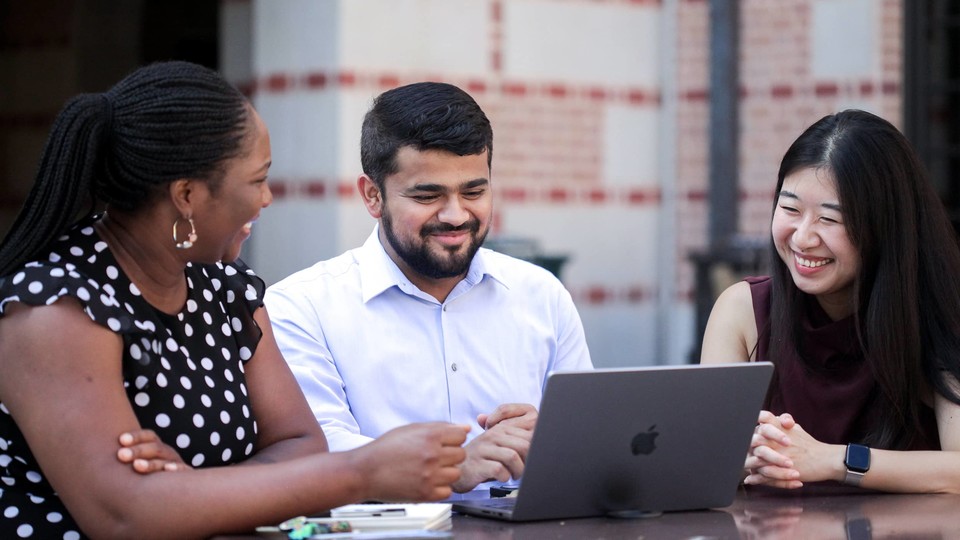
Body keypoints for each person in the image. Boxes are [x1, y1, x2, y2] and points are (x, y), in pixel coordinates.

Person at [0, 61, 470, 539]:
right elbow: (124, 516)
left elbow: (301, 445)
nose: (266, 198)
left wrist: (188, 493)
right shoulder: (55, 306)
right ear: (186, 195)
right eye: (256, 179)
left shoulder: (225, 287)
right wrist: (362, 471)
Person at [264, 81, 593, 493]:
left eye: (474, 191)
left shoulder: (542, 294)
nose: (456, 215)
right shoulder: (301, 306)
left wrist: (552, 439)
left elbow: (589, 444)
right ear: (372, 196)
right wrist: (455, 466)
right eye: (428, 195)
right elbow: (313, 452)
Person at [700, 109, 960, 493]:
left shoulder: (939, 311)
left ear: (885, 227)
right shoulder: (743, 310)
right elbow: (702, 458)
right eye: (789, 209)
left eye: (830, 219)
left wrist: (832, 460)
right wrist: (756, 458)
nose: (803, 237)